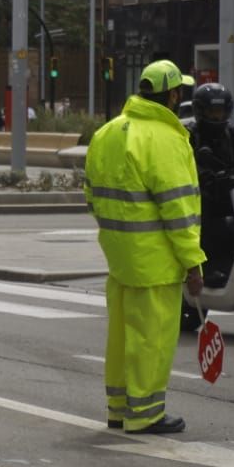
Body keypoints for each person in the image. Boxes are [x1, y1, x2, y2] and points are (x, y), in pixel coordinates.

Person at [84, 59, 206, 435]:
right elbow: (179, 210)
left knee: (121, 338)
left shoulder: (107, 133)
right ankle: (146, 414)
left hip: (120, 258)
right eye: (179, 92)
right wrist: (193, 263)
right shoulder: (167, 139)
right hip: (156, 262)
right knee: (151, 340)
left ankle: (119, 409)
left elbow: (92, 196)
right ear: (171, 95)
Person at [187, 83, 234, 288]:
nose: (217, 117)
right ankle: (209, 268)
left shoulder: (232, 133)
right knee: (213, 227)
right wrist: (201, 173)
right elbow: (181, 161)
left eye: (221, 111)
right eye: (212, 112)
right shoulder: (191, 135)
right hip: (202, 196)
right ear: (200, 111)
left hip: (231, 194)